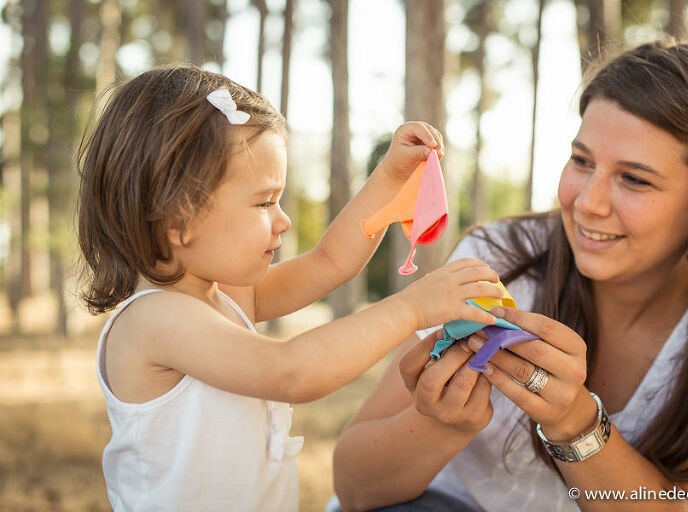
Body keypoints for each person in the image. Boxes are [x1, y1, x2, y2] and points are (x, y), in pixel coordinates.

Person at [331, 40, 688, 512]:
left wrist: (575, 422)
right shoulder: (499, 262)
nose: (587, 202)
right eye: (582, 161)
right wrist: (443, 424)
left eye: (635, 179)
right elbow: (355, 488)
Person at [76, 66, 505, 512]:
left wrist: (391, 177)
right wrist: (412, 308)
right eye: (264, 202)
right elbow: (291, 372)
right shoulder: (155, 320)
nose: (283, 220)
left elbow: (331, 260)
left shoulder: (225, 295)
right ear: (178, 222)